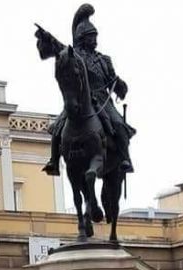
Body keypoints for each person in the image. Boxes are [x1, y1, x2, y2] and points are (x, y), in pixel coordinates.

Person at [41, 4, 135, 177]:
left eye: (95, 36)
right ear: (83, 38)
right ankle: (54, 161)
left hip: (103, 99)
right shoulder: (77, 56)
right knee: (58, 127)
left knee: (120, 125)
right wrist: (48, 38)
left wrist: (120, 85)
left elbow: (114, 80)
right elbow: (61, 49)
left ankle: (125, 159)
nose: (95, 40)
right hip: (82, 98)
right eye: (91, 37)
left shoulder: (104, 60)